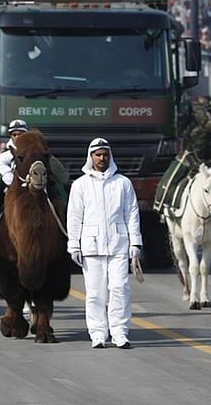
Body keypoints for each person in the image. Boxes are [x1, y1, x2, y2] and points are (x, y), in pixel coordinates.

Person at [67, 137, 142, 349]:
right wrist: (73, 244)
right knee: (95, 293)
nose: (102, 158)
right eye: (98, 154)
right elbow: (74, 216)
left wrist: (135, 243)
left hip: (119, 244)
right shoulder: (80, 185)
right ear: (90, 157)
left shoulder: (123, 183)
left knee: (120, 288)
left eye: (105, 154)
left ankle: (120, 332)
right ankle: (98, 333)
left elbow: (132, 214)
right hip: (91, 247)